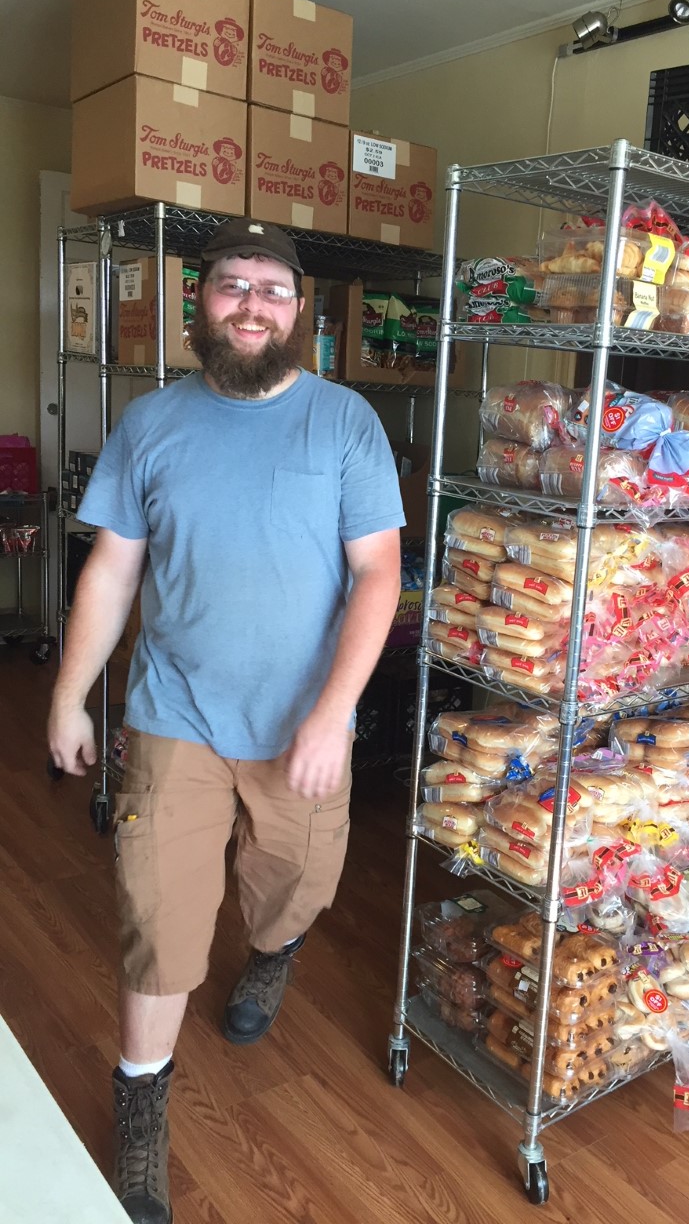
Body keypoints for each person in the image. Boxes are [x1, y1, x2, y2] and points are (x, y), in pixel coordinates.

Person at [47, 219, 404, 1224]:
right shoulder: (150, 423)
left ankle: (276, 948)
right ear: (199, 302)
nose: (251, 303)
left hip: (303, 721)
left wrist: (335, 716)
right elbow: (112, 570)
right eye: (230, 285)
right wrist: (71, 695)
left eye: (272, 289)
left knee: (292, 884)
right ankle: (143, 1103)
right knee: (158, 918)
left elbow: (379, 573)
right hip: (176, 711)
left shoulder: (344, 423)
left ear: (301, 311)